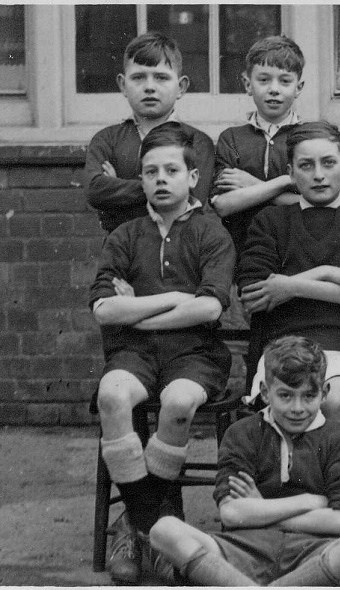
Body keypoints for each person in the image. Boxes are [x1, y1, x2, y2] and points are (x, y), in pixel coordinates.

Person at [89, 124, 235, 584]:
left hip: (196, 354)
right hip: (135, 353)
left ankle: (140, 528)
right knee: (112, 397)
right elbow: (104, 309)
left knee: (177, 403)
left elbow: (210, 305)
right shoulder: (126, 234)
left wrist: (138, 309)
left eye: (172, 169)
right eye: (150, 171)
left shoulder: (212, 232)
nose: (160, 179)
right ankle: (151, 525)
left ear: (193, 177)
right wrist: (174, 300)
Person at [149, 335, 340, 586]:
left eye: (308, 396)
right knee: (164, 531)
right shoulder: (242, 433)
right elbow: (231, 514)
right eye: (285, 395)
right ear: (265, 391)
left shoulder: (338, 438)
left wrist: (261, 509)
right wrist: (311, 502)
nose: (297, 408)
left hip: (312, 554)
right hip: (243, 550)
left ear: (324, 393)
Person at [237, 122, 340, 427]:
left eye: (329, 163)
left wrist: (291, 286)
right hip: (283, 350)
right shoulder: (270, 221)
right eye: (306, 166)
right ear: (292, 173)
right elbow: (255, 296)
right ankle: (286, 474)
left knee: (332, 399)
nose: (318, 175)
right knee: (287, 403)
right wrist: (333, 277)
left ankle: (338, 475)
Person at [84, 32, 214, 234]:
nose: (150, 87)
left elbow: (193, 196)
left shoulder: (197, 142)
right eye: (138, 78)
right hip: (122, 254)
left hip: (179, 251)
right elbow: (95, 191)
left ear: (181, 87)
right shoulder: (107, 139)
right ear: (122, 85)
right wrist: (166, 187)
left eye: (161, 78)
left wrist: (118, 189)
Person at [211, 35, 306, 254]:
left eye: (285, 81)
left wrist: (251, 184)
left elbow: (313, 205)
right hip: (242, 248)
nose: (274, 89)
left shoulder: (310, 137)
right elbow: (223, 205)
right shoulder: (232, 139)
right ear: (248, 84)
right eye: (264, 80)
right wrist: (285, 181)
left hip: (297, 249)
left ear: (298, 87)